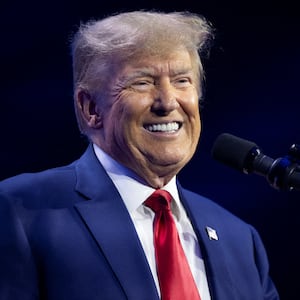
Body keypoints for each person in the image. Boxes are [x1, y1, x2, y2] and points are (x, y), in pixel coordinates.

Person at [0, 10, 279, 300]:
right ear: (91, 108)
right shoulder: (20, 213)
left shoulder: (240, 239)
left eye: (182, 80)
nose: (168, 101)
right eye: (143, 82)